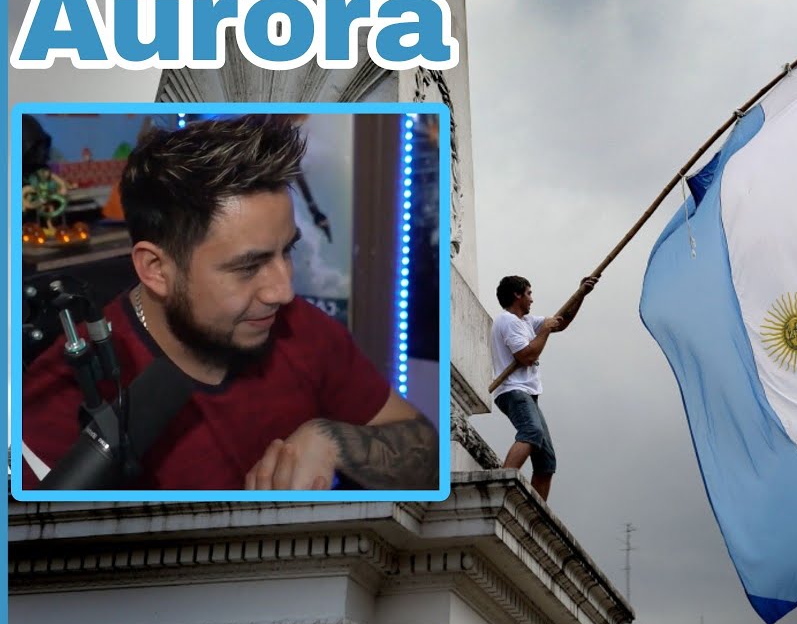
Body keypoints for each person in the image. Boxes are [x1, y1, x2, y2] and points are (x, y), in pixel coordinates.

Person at [21, 115, 439, 491]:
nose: (283, 292)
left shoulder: (298, 328)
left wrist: (335, 442)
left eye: (287, 251)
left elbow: (425, 448)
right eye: (249, 266)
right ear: (156, 269)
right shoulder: (61, 401)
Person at [490, 274, 596, 501]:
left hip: (528, 394)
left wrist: (581, 294)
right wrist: (545, 331)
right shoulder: (507, 321)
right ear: (517, 295)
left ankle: (535, 513)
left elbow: (561, 322)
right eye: (529, 293)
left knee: (546, 461)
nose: (532, 299)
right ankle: (500, 486)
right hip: (512, 390)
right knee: (532, 431)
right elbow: (527, 356)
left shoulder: (527, 322)